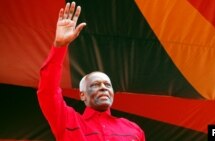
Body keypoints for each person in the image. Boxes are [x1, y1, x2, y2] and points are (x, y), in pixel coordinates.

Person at [37, 1, 145, 141]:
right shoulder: (68, 122)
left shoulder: (133, 129)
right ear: (82, 95)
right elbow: (48, 93)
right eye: (95, 85)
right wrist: (59, 46)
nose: (103, 88)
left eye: (107, 85)